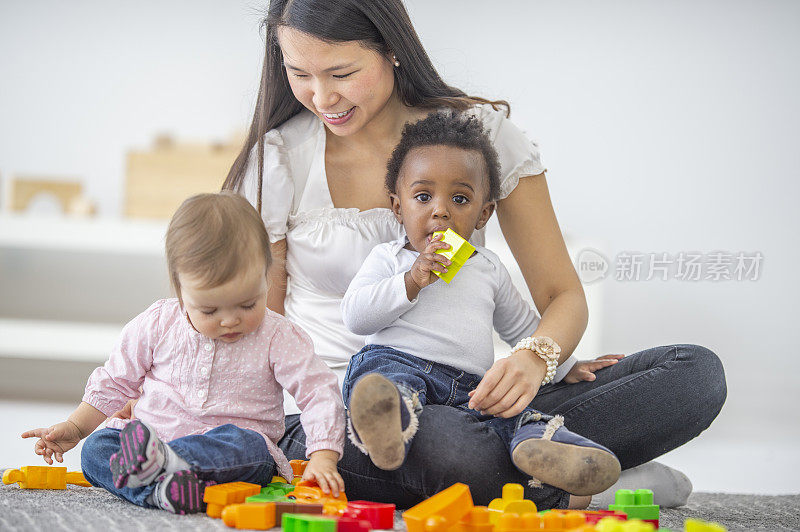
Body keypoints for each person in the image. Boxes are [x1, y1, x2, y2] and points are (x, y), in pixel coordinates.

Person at [217, 0, 727, 510]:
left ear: (392, 49)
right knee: (445, 444)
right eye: (298, 73)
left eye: (341, 73)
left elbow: (559, 296)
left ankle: (544, 455)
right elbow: (264, 321)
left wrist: (537, 358)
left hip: (471, 393)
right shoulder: (279, 159)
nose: (322, 96)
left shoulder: (477, 138)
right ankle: (594, 481)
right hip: (336, 413)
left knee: (694, 373)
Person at [339, 111, 621, 497]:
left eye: (459, 199)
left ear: (483, 212)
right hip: (397, 362)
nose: (440, 210)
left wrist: (565, 364)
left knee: (513, 411)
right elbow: (356, 315)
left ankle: (547, 446)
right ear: (398, 207)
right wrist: (411, 280)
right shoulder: (390, 259)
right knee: (384, 384)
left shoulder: (487, 268)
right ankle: (385, 429)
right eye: (423, 196)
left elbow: (522, 327)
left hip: (471, 386)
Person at [21, 192, 346, 514]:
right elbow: (115, 381)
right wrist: (76, 428)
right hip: (152, 439)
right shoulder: (157, 323)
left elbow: (317, 391)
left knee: (248, 447)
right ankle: (163, 491)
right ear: (180, 292)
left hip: (231, 458)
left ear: (266, 276)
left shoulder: (278, 336)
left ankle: (161, 470)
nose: (230, 319)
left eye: (248, 303)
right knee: (95, 449)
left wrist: (323, 455)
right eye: (209, 309)